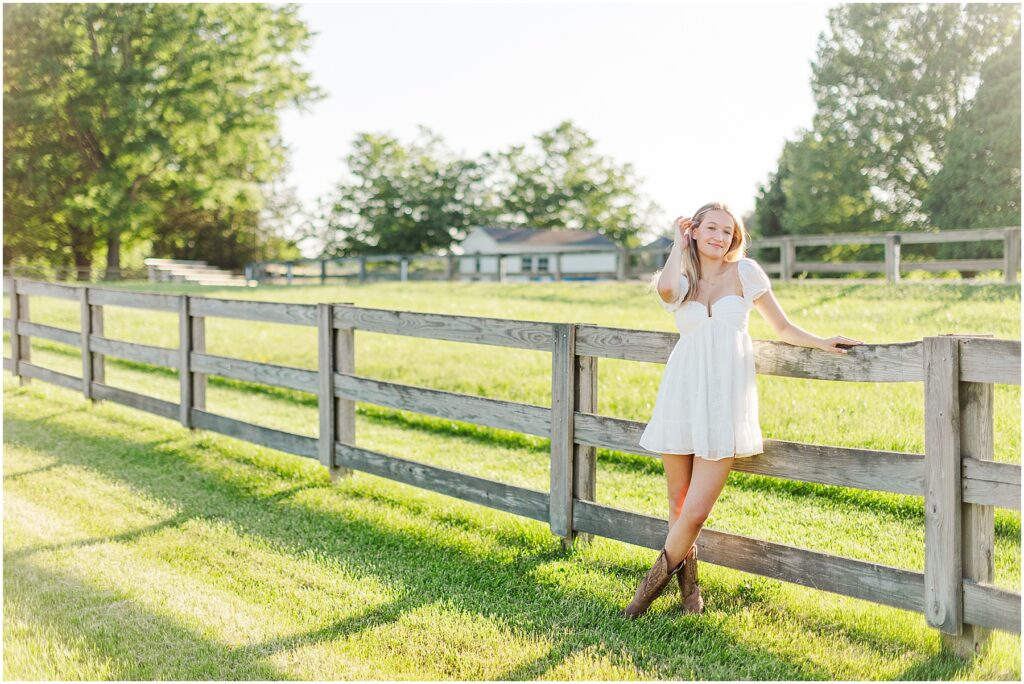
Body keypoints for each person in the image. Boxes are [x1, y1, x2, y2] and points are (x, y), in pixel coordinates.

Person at [621, 201, 864, 620]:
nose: (720, 237)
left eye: (728, 232)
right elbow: (664, 291)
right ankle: (690, 597)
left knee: (695, 512)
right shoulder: (681, 277)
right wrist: (677, 246)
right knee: (678, 505)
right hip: (682, 393)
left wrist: (823, 342)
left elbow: (782, 328)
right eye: (710, 228)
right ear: (693, 231)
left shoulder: (746, 272)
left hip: (725, 399)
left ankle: (638, 601)